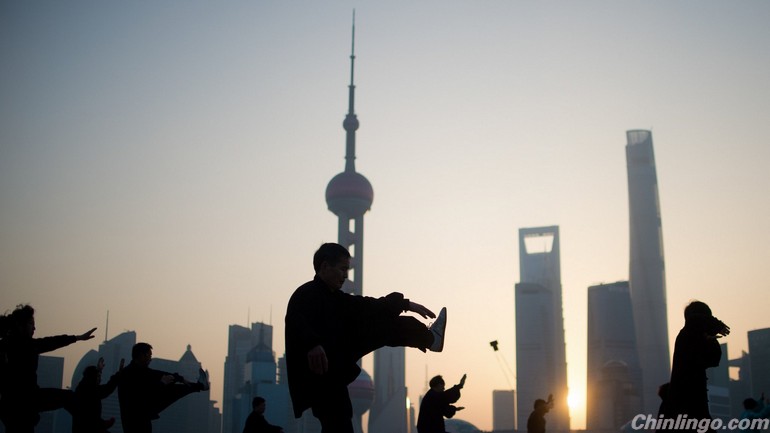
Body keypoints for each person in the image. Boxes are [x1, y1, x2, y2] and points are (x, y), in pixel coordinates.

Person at [285, 242, 448, 433]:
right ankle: (430, 339)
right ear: (325, 266)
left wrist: (405, 304)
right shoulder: (305, 294)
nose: (346, 275)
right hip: (321, 377)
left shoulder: (336, 299)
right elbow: (295, 321)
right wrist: (312, 344)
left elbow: (367, 305)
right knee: (337, 420)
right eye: (342, 269)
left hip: (333, 373)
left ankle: (429, 339)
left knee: (339, 422)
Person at [0, 304, 96, 433]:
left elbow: (51, 342)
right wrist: (77, 338)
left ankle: (93, 424)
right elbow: (51, 342)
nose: (34, 328)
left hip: (17, 405)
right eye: (31, 324)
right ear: (19, 325)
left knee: (68, 398)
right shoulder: (25, 345)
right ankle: (93, 424)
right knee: (68, 398)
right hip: (26, 401)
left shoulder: (11, 344)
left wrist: (76, 338)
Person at [117, 342, 209, 433]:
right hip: (136, 422)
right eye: (149, 355)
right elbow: (141, 395)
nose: (150, 359)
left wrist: (179, 378)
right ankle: (200, 386)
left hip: (142, 420)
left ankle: (200, 386)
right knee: (171, 390)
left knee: (173, 389)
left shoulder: (138, 370)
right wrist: (162, 384)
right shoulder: (129, 374)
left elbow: (157, 374)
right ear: (141, 355)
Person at [666, 301, 728, 432]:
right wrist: (716, 324)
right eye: (707, 317)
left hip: (693, 407)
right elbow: (695, 319)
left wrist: (711, 340)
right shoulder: (686, 334)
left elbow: (714, 360)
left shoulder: (692, 340)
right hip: (687, 407)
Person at [72, 357, 122, 433]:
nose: (100, 379)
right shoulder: (90, 391)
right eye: (98, 376)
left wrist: (99, 370)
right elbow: (107, 388)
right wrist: (118, 375)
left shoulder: (83, 387)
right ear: (93, 378)